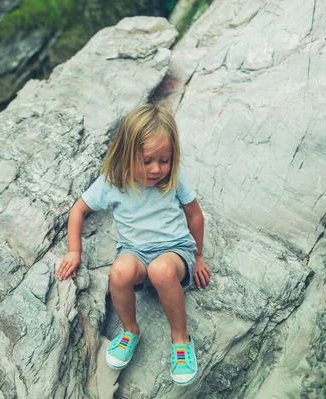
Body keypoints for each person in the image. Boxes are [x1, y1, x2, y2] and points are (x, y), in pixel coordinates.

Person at [56, 104, 212, 385]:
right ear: (127, 155)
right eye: (147, 161)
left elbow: (194, 214)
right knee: (119, 272)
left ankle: (181, 340)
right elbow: (78, 210)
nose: (156, 170)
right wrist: (73, 250)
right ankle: (130, 331)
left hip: (174, 250)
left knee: (161, 271)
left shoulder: (174, 178)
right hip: (135, 252)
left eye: (164, 160)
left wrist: (198, 255)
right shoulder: (113, 182)